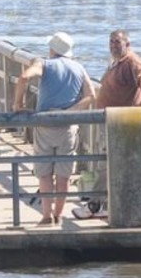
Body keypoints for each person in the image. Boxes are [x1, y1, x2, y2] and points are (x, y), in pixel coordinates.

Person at [13, 32, 94, 226]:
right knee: (64, 175)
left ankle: (46, 215)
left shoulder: (45, 64)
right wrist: (70, 112)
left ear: (52, 49)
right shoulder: (78, 67)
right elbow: (91, 95)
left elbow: (24, 77)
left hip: (45, 125)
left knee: (44, 173)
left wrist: (18, 104)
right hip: (68, 127)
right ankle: (59, 214)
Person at [73, 28, 141, 220]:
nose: (113, 46)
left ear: (127, 43)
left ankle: (94, 205)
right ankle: (108, 205)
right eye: (111, 42)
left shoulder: (132, 61)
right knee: (107, 162)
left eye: (117, 42)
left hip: (120, 122)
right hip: (108, 118)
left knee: (106, 163)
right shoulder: (116, 61)